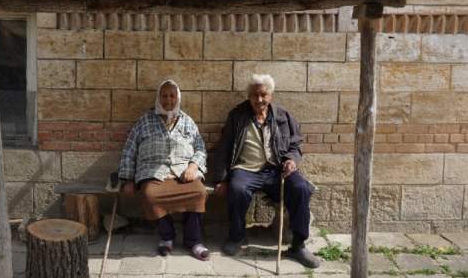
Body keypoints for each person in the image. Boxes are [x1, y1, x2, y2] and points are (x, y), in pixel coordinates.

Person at [212, 74, 320, 268]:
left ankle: (298, 245)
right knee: (237, 189)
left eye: (264, 94)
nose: (259, 99)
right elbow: (224, 147)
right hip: (246, 169)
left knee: (301, 189)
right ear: (249, 96)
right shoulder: (237, 115)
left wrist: (291, 160)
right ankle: (236, 236)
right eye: (255, 95)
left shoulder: (283, 116)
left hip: (277, 169)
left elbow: (296, 144)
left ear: (271, 95)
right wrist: (221, 179)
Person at [118, 79, 210, 261]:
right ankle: (167, 237)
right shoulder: (145, 121)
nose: (168, 100)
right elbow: (130, 149)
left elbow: (200, 147)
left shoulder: (187, 121)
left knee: (199, 193)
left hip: (183, 172)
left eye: (172, 96)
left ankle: (194, 241)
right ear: (159, 98)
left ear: (178, 98)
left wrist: (193, 166)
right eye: (165, 96)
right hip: (152, 172)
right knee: (151, 195)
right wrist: (128, 178)